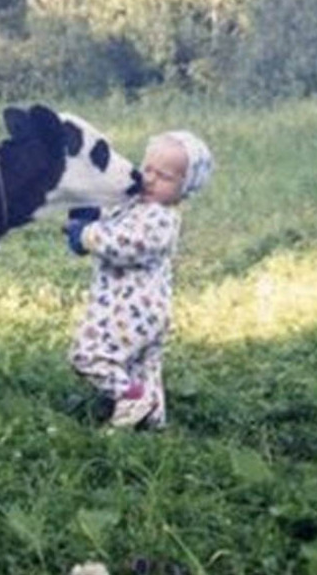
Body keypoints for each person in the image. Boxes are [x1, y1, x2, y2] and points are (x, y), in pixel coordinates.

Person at [64, 130, 214, 429]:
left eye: (166, 177)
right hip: (140, 309)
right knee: (141, 366)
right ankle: (151, 419)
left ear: (184, 188)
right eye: (147, 169)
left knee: (88, 355)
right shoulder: (139, 204)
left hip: (132, 308)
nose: (151, 179)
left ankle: (133, 398)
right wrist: (90, 211)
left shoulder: (161, 217)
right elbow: (112, 213)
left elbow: (127, 244)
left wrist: (87, 235)